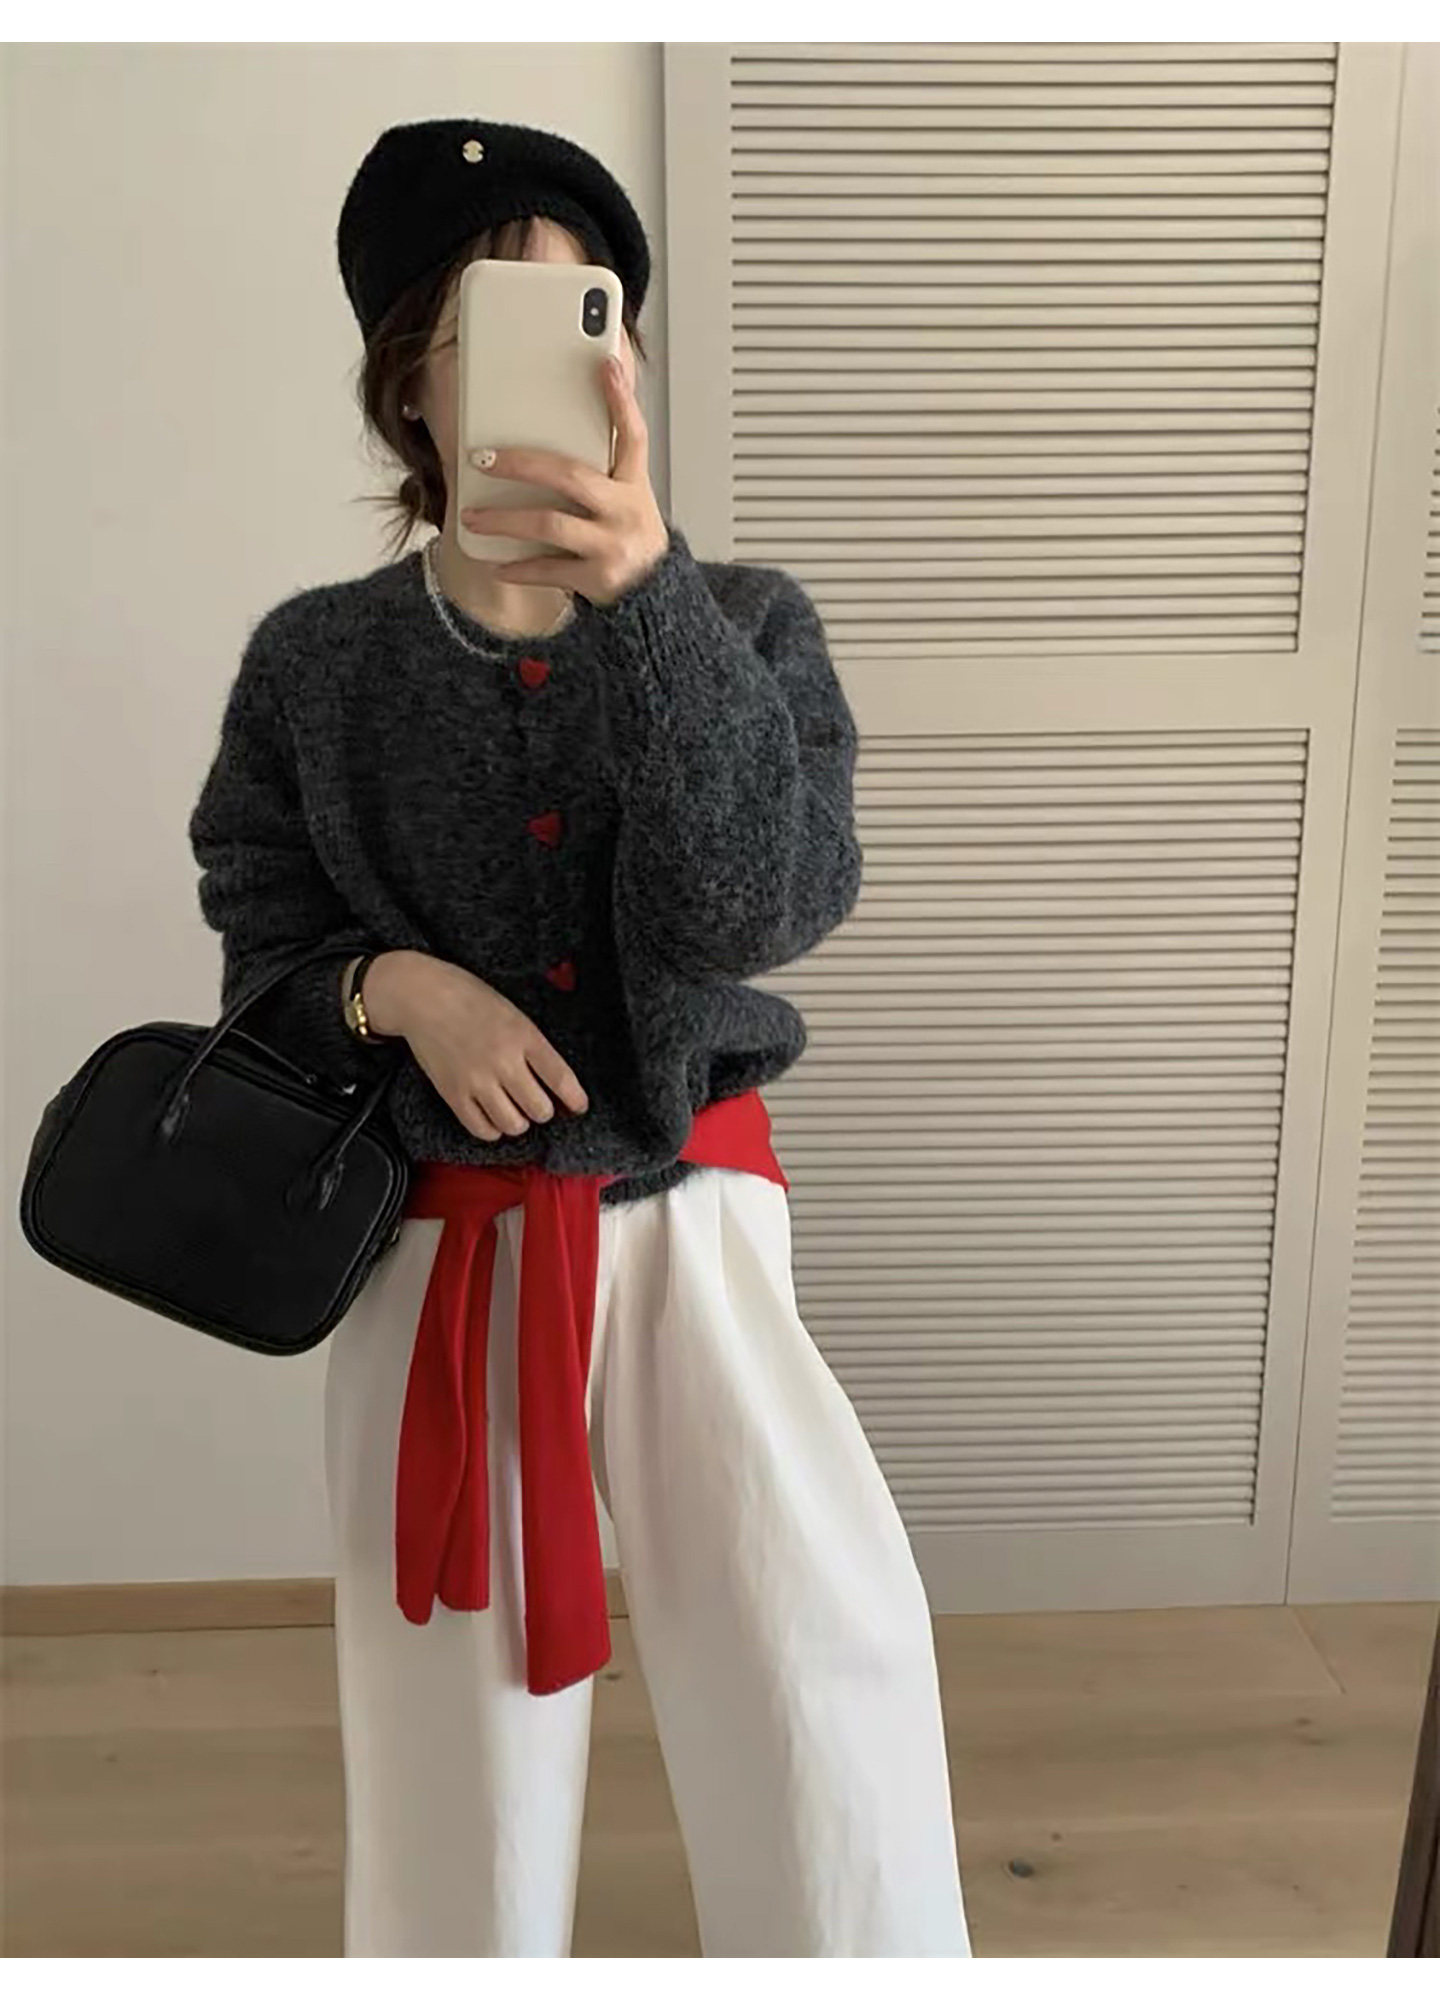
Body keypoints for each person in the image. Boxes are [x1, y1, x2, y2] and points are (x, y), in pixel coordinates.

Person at [187, 115, 971, 1960]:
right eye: (501, 315)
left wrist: (653, 612)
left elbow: (762, 907)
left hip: (702, 1230)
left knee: (820, 1691)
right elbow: (262, 956)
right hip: (439, 1257)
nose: (565, 351)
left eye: (590, 310)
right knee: (447, 1756)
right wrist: (400, 990)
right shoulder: (312, 663)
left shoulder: (744, 625)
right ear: (413, 377)